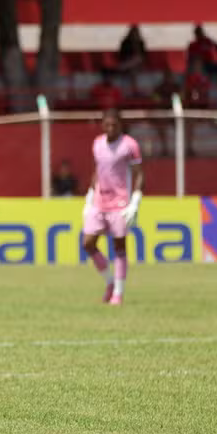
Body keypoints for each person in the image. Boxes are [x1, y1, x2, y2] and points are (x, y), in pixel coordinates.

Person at [82, 110, 144, 306]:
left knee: (119, 247)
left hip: (120, 203)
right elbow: (97, 170)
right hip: (100, 201)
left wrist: (135, 200)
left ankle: (118, 292)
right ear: (103, 125)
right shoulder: (98, 143)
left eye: (114, 125)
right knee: (88, 243)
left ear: (120, 125)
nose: (110, 128)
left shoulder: (129, 145)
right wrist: (90, 196)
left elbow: (139, 173)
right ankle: (109, 281)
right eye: (107, 125)